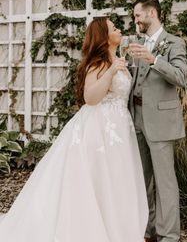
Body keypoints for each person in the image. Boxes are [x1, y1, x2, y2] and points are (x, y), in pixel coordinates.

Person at [0, 17, 148, 242]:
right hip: (99, 129)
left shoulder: (119, 59)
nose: (119, 30)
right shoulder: (98, 64)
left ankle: (117, 228)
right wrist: (110, 72)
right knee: (98, 178)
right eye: (113, 28)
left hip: (120, 127)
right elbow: (91, 98)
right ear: (104, 38)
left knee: (116, 179)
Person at [129, 0, 187, 242]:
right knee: (142, 179)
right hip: (136, 118)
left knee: (165, 182)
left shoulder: (174, 43)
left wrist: (154, 60)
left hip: (161, 121)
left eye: (137, 15)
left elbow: (183, 77)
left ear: (152, 13)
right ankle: (147, 230)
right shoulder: (136, 42)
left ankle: (169, 236)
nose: (135, 20)